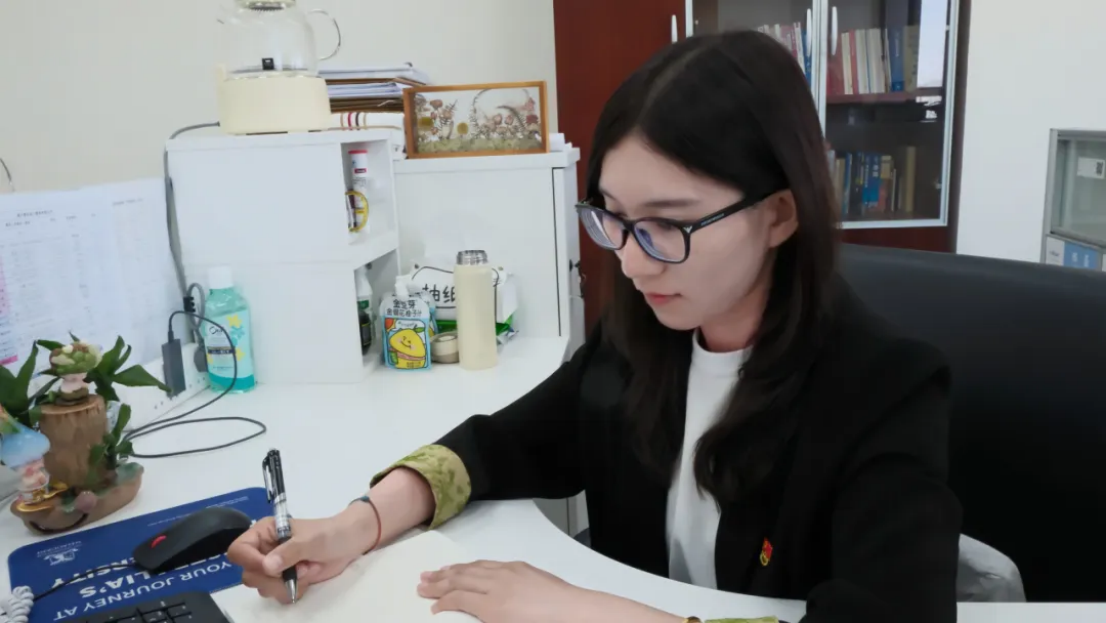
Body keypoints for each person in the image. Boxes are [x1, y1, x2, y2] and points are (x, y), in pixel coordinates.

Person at [229, 30, 961, 623]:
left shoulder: (885, 390)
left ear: (779, 214)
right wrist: (356, 525)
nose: (632, 262)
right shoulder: (645, 336)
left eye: (668, 224)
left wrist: (580, 610)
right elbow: (500, 445)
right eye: (613, 218)